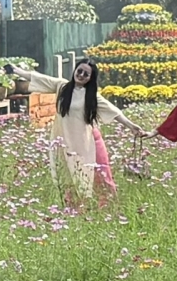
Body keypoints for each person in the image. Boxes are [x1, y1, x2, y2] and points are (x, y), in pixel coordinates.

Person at [11, 59, 146, 206]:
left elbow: (113, 111)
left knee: (102, 176)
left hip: (90, 142)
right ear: (75, 70)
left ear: (90, 78)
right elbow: (39, 78)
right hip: (67, 143)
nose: (81, 75)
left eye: (86, 74)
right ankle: (76, 210)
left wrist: (131, 126)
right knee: (72, 177)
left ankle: (109, 210)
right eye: (79, 71)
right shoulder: (61, 86)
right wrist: (17, 70)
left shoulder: (91, 95)